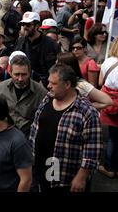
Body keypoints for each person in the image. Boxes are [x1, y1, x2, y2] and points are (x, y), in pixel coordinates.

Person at [30, 64, 102, 192]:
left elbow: (92, 149)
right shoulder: (48, 99)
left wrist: (81, 177)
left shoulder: (86, 111)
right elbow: (35, 129)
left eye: (53, 83)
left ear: (67, 84)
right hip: (42, 166)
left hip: (66, 174)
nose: (48, 86)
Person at [98, 36, 118, 178]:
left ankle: (109, 168)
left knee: (112, 136)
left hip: (109, 102)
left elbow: (100, 82)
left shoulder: (107, 61)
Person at [0, 55, 47, 137]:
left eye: (24, 74)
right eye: (16, 74)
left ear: (30, 73)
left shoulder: (41, 93)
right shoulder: (2, 87)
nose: (20, 79)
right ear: (10, 72)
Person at [15, 11, 60, 86]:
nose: (25, 27)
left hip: (44, 84)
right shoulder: (20, 41)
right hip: (22, 81)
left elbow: (54, 68)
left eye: (28, 25)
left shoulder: (50, 44)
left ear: (37, 26)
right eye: (23, 24)